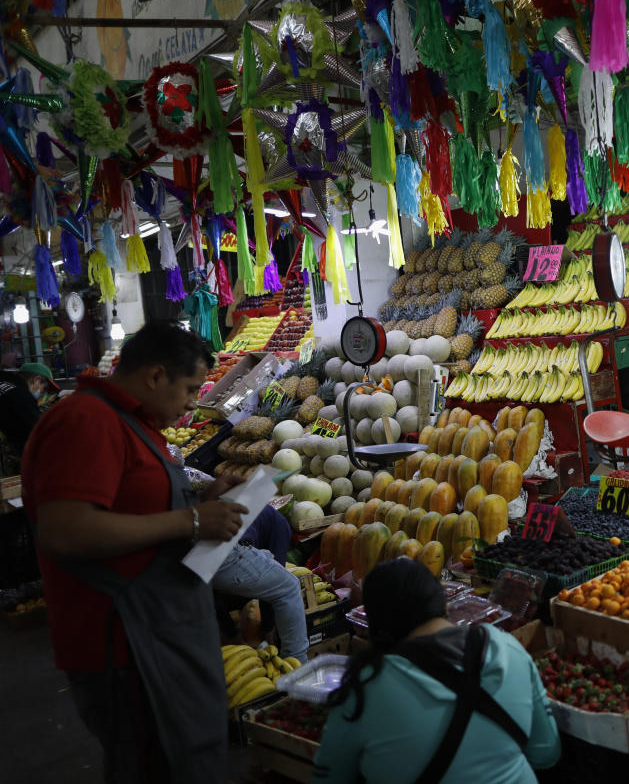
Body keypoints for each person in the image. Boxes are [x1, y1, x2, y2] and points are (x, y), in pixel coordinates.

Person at [23, 320, 249, 784]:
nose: (192, 402)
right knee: (150, 765)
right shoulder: (86, 421)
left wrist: (200, 502)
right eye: (189, 389)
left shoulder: (131, 422)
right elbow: (65, 530)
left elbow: (131, 506)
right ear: (154, 376)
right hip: (124, 647)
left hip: (154, 634)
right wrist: (189, 521)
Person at [313, 559, 560, 783]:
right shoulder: (505, 645)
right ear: (444, 603)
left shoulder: (364, 687)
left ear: (375, 627)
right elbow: (546, 752)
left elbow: (331, 778)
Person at [212, 503, 309, 663]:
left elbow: (209, 592)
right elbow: (275, 586)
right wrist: (268, 632)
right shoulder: (280, 526)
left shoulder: (266, 519)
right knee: (289, 586)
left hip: (199, 548)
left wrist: (233, 634)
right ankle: (298, 666)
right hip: (229, 548)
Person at [0, 361, 56, 455]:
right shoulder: (22, 396)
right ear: (36, 380)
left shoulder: (4, 379)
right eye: (44, 388)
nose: (42, 393)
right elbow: (36, 434)